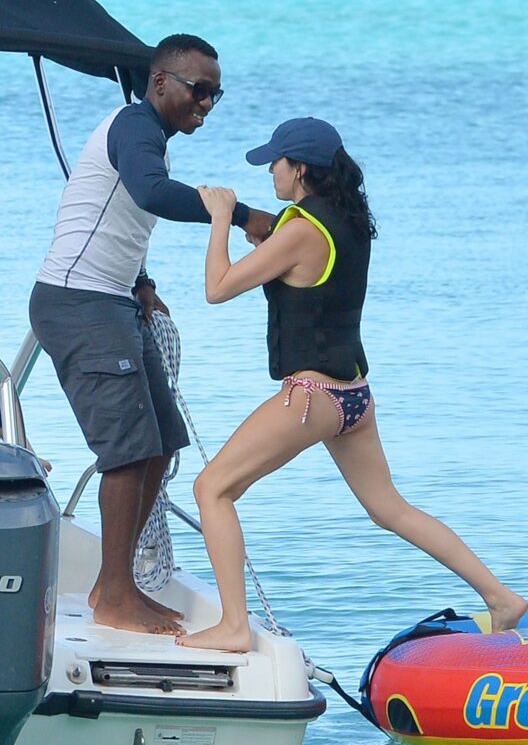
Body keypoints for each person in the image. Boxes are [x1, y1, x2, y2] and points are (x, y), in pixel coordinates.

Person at [177, 117, 527, 652]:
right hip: (354, 397)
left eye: (275, 163)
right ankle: (501, 597)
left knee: (212, 489)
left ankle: (234, 627)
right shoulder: (347, 218)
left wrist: (221, 218)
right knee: (391, 509)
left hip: (311, 399)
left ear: (299, 169)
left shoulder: (299, 231)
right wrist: (263, 232)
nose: (270, 171)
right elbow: (307, 268)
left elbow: (218, 288)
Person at [29, 33, 274, 636]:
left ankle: (115, 585)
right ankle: (114, 597)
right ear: (160, 82)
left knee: (162, 442)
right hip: (79, 303)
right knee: (128, 451)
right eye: (199, 90)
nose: (207, 104)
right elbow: (151, 193)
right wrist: (239, 215)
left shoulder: (148, 137)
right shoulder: (136, 127)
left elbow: (117, 211)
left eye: (216, 95)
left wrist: (142, 280)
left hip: (114, 300)